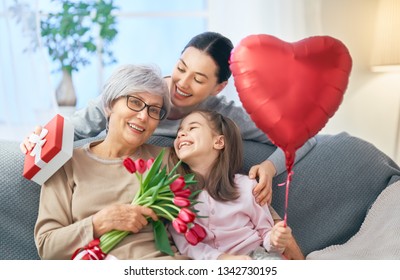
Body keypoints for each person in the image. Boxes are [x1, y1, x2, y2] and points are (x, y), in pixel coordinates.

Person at [27, 31, 313, 259]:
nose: (182, 84)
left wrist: (268, 167)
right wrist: (38, 139)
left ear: (217, 88)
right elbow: (70, 129)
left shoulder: (196, 137)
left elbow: (298, 137)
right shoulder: (130, 96)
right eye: (181, 69)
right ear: (111, 105)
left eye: (155, 111)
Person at [34, 64, 188, 259]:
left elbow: (201, 220)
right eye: (135, 102)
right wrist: (100, 222)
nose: (143, 116)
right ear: (109, 105)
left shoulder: (167, 159)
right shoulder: (66, 163)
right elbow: (47, 247)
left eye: (154, 110)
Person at [168, 109, 295, 260]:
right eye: (179, 131)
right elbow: (187, 246)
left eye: (192, 128)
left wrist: (276, 239)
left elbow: (266, 234)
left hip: (257, 256)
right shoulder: (176, 197)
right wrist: (222, 259)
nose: (181, 134)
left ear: (219, 142)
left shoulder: (246, 186)